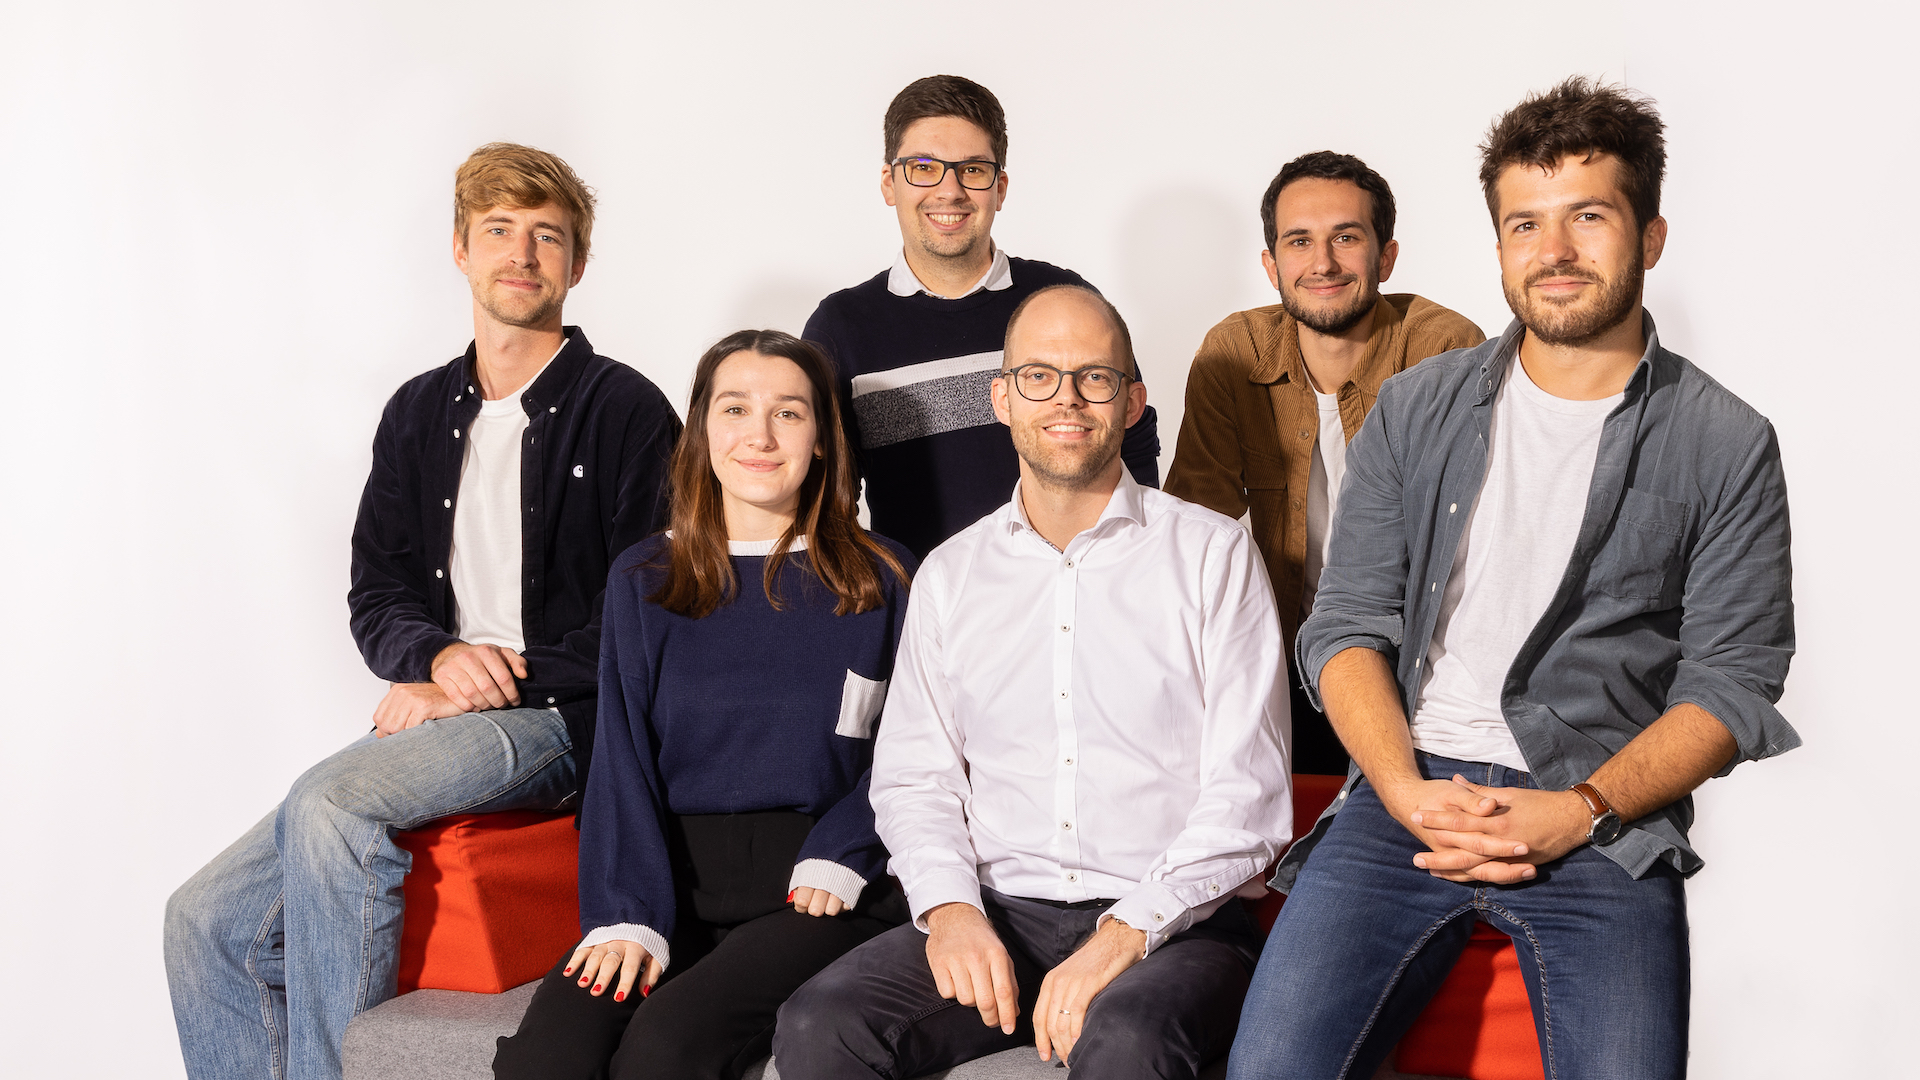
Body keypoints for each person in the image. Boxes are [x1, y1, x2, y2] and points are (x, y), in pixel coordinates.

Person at [1226, 78, 1797, 1080]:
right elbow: (1346, 624)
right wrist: (1403, 791)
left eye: (1589, 217)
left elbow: (1732, 684)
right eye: (1526, 224)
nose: (1555, 251)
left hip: (1601, 819)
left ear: (1652, 237)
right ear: (1498, 245)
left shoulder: (1727, 441)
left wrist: (1578, 810)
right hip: (1406, 794)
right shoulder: (1416, 408)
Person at [163, 143, 682, 1080]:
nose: (521, 254)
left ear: (577, 263)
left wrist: (481, 685)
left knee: (334, 802)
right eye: (499, 230)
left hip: (562, 719)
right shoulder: (417, 412)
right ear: (459, 249)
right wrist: (437, 659)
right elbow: (378, 590)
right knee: (204, 923)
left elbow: (646, 616)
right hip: (453, 708)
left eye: (547, 236)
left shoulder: (628, 411)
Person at [775, 286, 1293, 1080]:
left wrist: (1122, 936)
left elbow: (1249, 799)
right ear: (1003, 399)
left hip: (1174, 926)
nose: (1067, 399)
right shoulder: (951, 574)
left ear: (1132, 403)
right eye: (1039, 376)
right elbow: (915, 777)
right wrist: (951, 910)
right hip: (1001, 913)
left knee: (1128, 1041)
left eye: (1095, 377)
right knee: (821, 1025)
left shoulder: (1212, 555)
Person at [492, 330, 913, 1080]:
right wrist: (627, 912)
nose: (760, 435)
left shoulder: (884, 578)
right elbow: (620, 755)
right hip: (672, 880)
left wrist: (848, 848)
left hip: (818, 888)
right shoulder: (644, 578)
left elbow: (920, 750)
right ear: (701, 431)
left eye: (789, 413)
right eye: (735, 409)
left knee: (665, 1052)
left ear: (822, 438)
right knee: (547, 1059)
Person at [1165, 151, 1483, 777]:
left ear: (1386, 257)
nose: (1322, 263)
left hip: (1416, 665)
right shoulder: (1236, 353)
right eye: (1299, 241)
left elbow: (1473, 542)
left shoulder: (1445, 350)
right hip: (1277, 659)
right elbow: (1192, 527)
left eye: (1346, 237)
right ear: (1271, 265)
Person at [802, 74, 1161, 559]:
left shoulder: (1061, 301)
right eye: (924, 167)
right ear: (889, 183)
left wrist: (1134, 563)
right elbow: (825, 498)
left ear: (1000, 187)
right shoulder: (841, 328)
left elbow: (1131, 441)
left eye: (972, 169)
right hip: (920, 598)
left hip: (1078, 585)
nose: (949, 191)